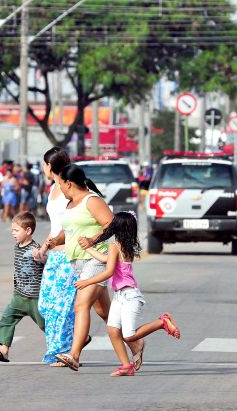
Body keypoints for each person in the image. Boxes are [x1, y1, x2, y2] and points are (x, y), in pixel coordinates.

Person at [76, 212, 181, 376]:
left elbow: (109, 271)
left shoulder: (115, 246)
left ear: (117, 227)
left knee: (129, 335)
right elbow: (106, 260)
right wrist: (88, 248)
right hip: (120, 296)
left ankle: (162, 322)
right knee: (112, 330)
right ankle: (126, 366)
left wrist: (87, 282)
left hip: (130, 296)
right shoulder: (124, 245)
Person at [50, 164, 129, 371]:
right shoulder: (70, 205)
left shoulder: (91, 200)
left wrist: (93, 239)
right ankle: (136, 343)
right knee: (105, 312)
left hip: (96, 260)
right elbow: (69, 231)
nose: (60, 189)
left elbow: (112, 224)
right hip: (77, 262)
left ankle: (74, 355)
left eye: (60, 185)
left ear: (69, 183)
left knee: (81, 305)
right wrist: (53, 242)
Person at [34, 147, 78, 366]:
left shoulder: (71, 186)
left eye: (44, 163)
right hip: (53, 256)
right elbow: (55, 227)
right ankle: (64, 345)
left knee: (63, 306)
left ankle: (63, 351)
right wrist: (43, 249)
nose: (43, 168)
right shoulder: (53, 189)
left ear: (50, 165)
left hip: (70, 255)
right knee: (46, 304)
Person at [0, 212, 46, 362]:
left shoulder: (35, 248)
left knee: (45, 325)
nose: (13, 234)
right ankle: (4, 351)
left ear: (28, 231)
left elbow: (44, 259)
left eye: (16, 230)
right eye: (12, 231)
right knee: (7, 319)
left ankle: (74, 342)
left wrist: (39, 257)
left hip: (35, 297)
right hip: (19, 295)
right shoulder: (17, 247)